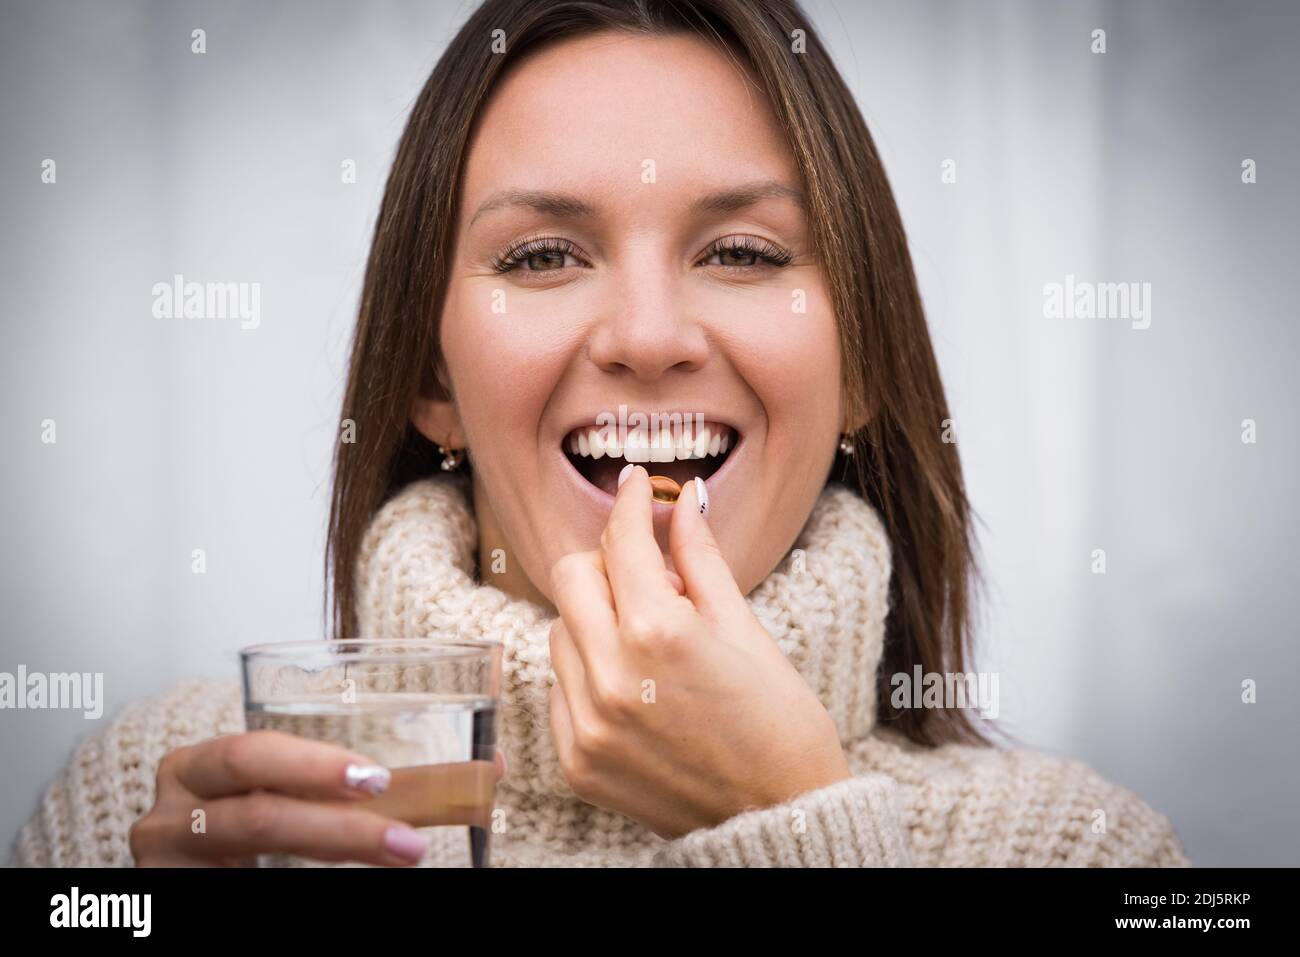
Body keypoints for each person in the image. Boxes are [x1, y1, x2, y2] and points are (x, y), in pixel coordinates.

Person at [11, 0, 1189, 868]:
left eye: (741, 252)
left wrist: (796, 827)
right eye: (541, 256)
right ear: (428, 380)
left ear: (866, 365)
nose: (645, 334)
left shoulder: (1079, 852)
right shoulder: (153, 800)